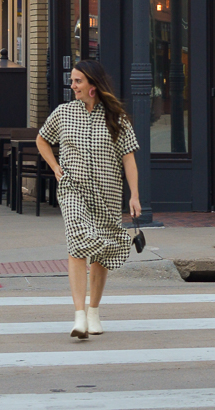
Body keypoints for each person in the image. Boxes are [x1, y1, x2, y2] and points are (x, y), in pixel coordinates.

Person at [36, 60, 141, 339]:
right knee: (77, 243)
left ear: (93, 85)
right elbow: (42, 139)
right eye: (72, 80)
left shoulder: (116, 118)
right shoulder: (64, 113)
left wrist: (134, 195)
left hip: (108, 194)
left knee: (102, 251)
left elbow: (129, 159)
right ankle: (79, 316)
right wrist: (55, 167)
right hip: (74, 190)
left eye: (78, 81)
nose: (73, 86)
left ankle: (93, 311)